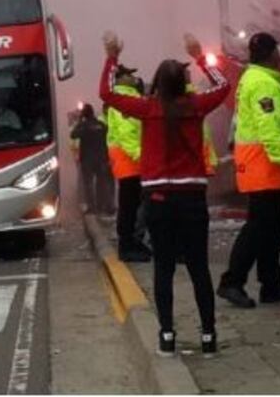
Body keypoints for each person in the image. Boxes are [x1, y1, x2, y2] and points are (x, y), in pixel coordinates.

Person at [99, 31, 230, 358]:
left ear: (156, 82)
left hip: (157, 200)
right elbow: (224, 87)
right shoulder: (196, 106)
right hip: (193, 199)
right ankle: (209, 337)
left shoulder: (147, 108)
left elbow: (106, 93)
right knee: (199, 269)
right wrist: (200, 56)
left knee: (164, 269)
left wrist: (111, 57)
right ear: (183, 82)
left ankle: (167, 336)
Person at [217, 33, 280, 308]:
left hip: (272, 170)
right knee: (258, 228)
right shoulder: (263, 84)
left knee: (273, 230)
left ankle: (272, 284)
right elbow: (269, 130)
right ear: (270, 55)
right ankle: (232, 282)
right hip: (264, 168)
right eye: (277, 52)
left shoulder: (269, 81)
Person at [107, 64, 149, 261]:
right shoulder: (121, 99)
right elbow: (126, 133)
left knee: (134, 204)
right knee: (129, 206)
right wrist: (141, 155)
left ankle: (133, 243)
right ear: (120, 78)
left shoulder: (131, 97)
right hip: (129, 161)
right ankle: (127, 247)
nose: (134, 77)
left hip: (133, 160)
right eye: (129, 75)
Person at [70, 104, 111, 213]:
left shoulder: (83, 125)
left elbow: (73, 135)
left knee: (88, 184)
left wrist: (79, 120)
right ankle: (101, 206)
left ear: (84, 114)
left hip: (87, 160)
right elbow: (108, 139)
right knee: (101, 184)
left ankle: (92, 208)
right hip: (102, 159)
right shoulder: (102, 125)